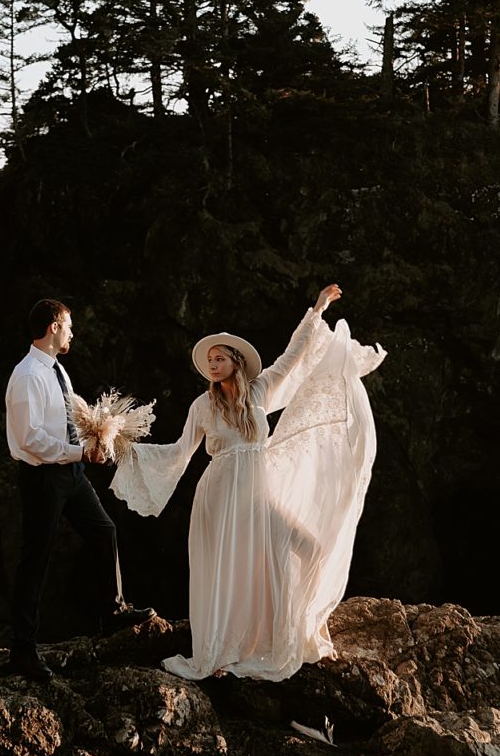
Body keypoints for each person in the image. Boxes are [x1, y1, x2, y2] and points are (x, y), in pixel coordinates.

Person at [109, 283, 386, 681]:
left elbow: (293, 356)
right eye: (210, 361)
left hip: (256, 493)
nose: (214, 365)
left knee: (305, 547)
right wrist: (126, 447)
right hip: (219, 496)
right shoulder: (202, 406)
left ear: (236, 363)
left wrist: (318, 309)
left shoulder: (260, 392)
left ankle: (285, 632)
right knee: (230, 570)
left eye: (220, 359)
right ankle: (225, 646)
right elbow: (179, 452)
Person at [5, 298, 155, 682]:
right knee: (35, 560)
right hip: (42, 477)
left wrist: (99, 435)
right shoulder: (26, 376)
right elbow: (30, 438)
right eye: (69, 325)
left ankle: (111, 612)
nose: (73, 332)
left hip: (70, 473)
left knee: (104, 531)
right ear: (54, 326)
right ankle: (22, 651)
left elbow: (70, 416)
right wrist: (80, 452)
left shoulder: (58, 371)